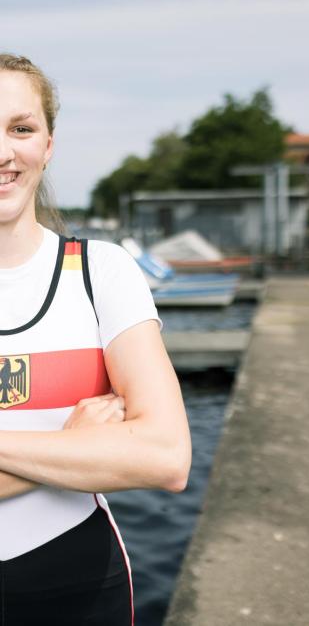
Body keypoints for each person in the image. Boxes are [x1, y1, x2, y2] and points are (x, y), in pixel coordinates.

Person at [0, 53, 192, 625]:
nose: (3, 152)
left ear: (49, 144)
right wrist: (72, 444)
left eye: (21, 128)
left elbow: (166, 457)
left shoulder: (100, 272)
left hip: (77, 584)